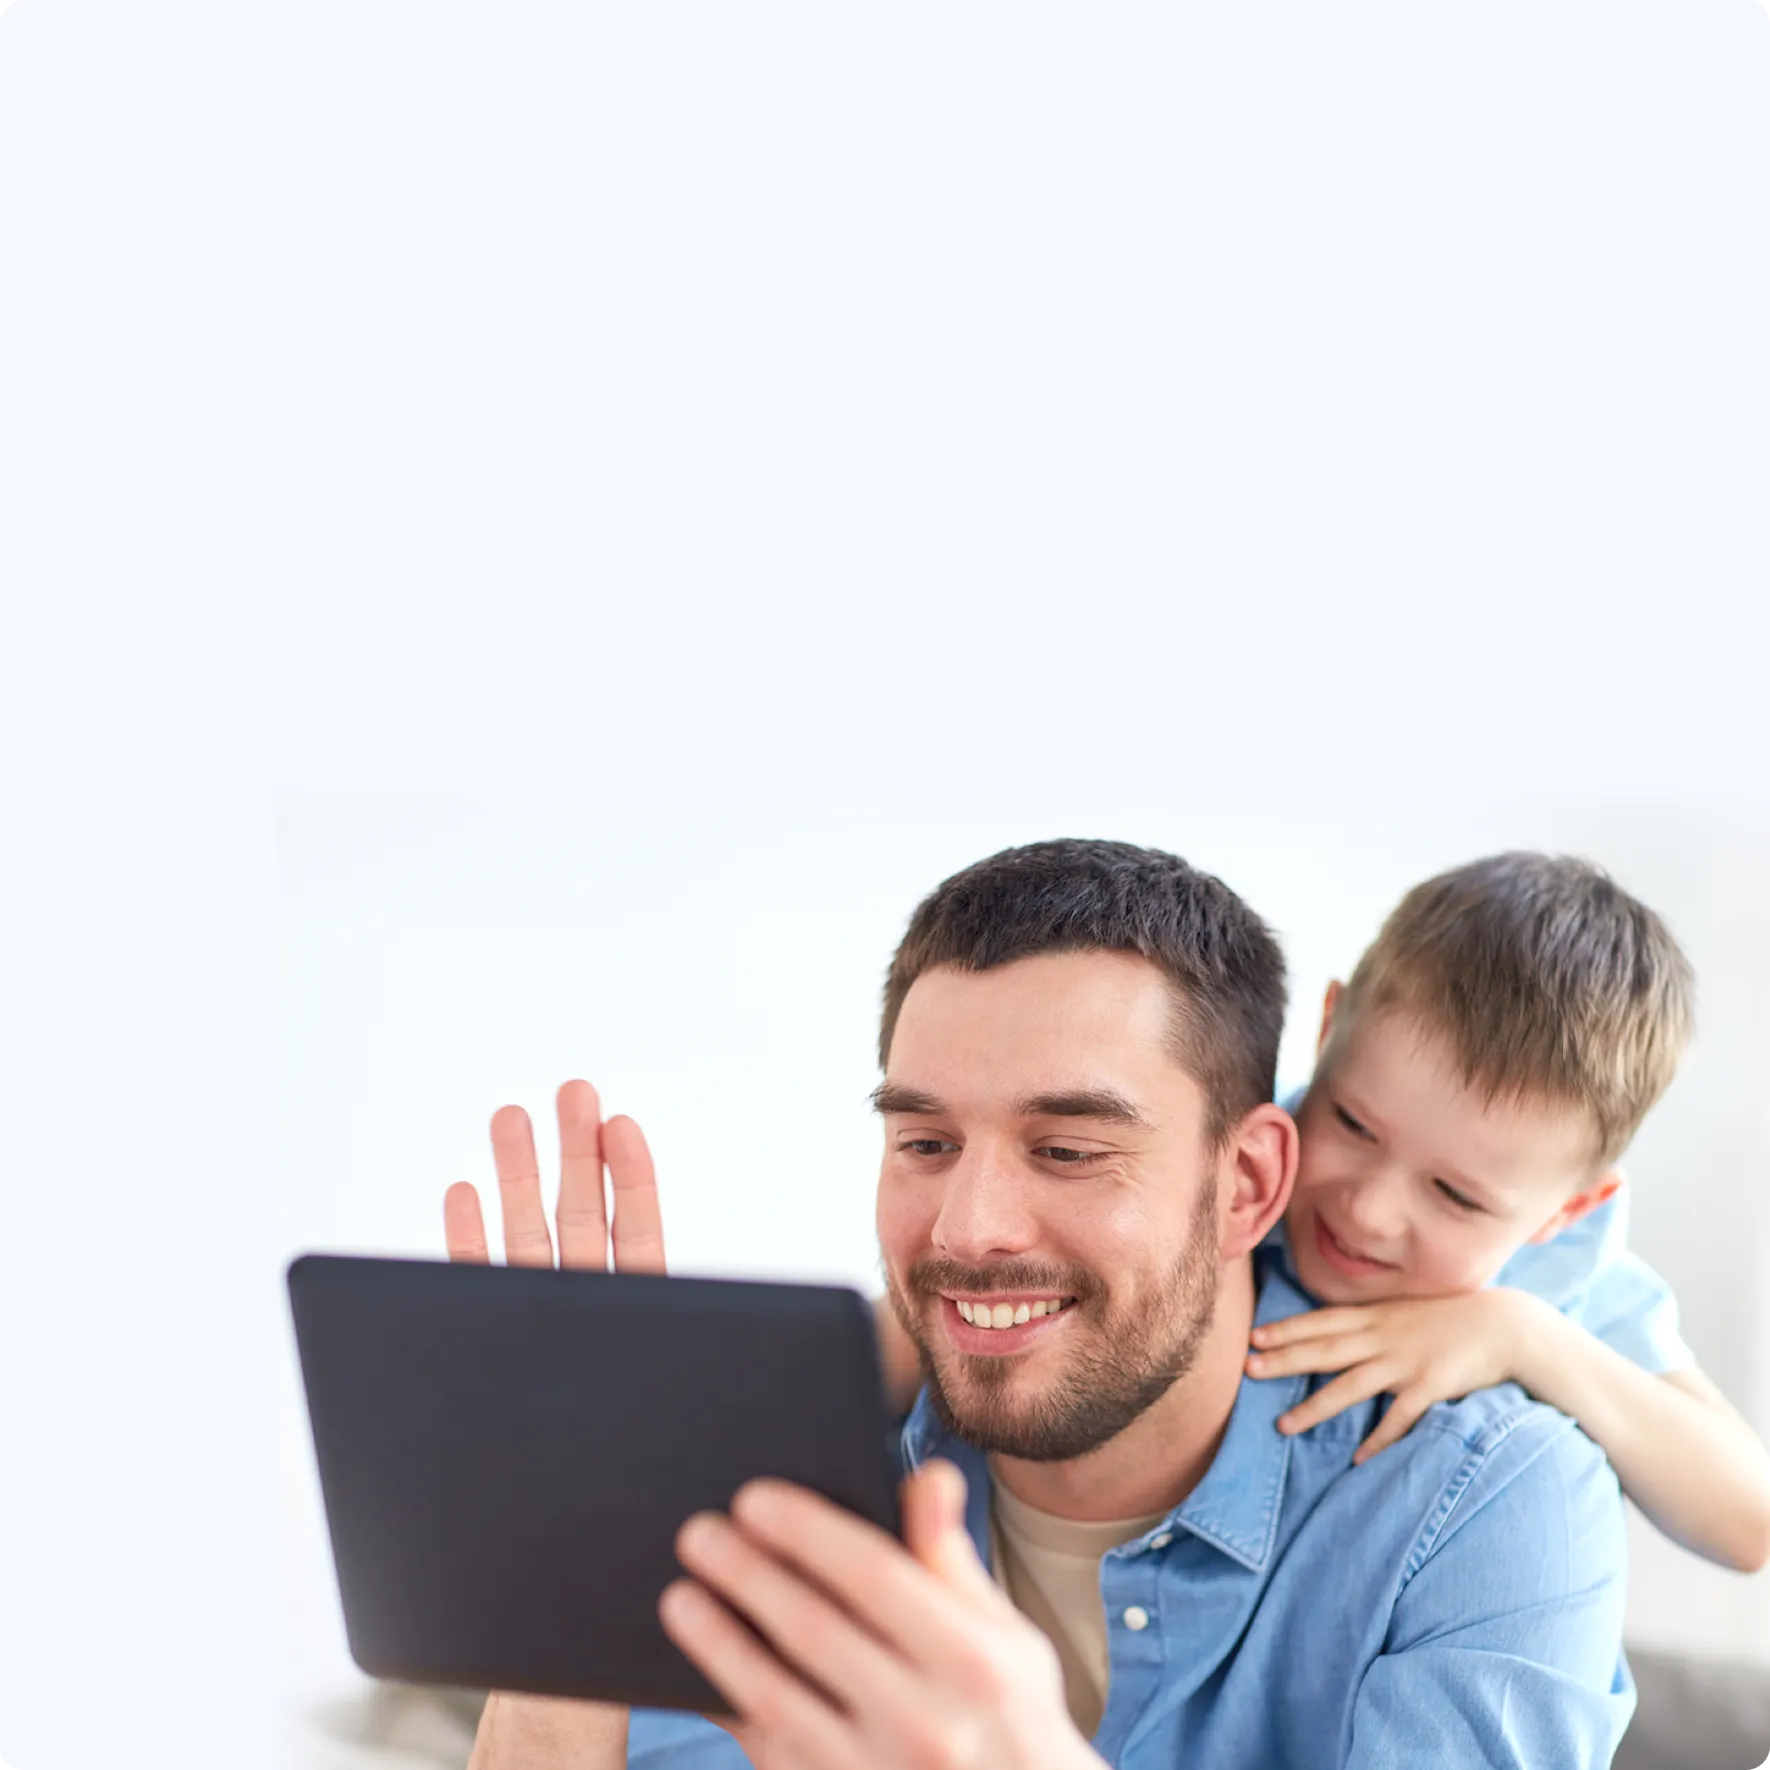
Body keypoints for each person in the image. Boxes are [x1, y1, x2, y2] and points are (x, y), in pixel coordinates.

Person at [447, 839, 1635, 1770]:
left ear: (1252, 1183)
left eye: (1068, 1151)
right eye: (923, 1138)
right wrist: (570, 1584)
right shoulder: (781, 1483)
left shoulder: (1491, 1500)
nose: (967, 1230)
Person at [870, 851, 1770, 1574]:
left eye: (1454, 1196)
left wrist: (1517, 1335)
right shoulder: (1232, 1155)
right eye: (1351, 1124)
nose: (1367, 1209)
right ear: (1330, 1028)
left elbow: (1747, 1520)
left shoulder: (1560, 1276)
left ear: (1563, 1211)